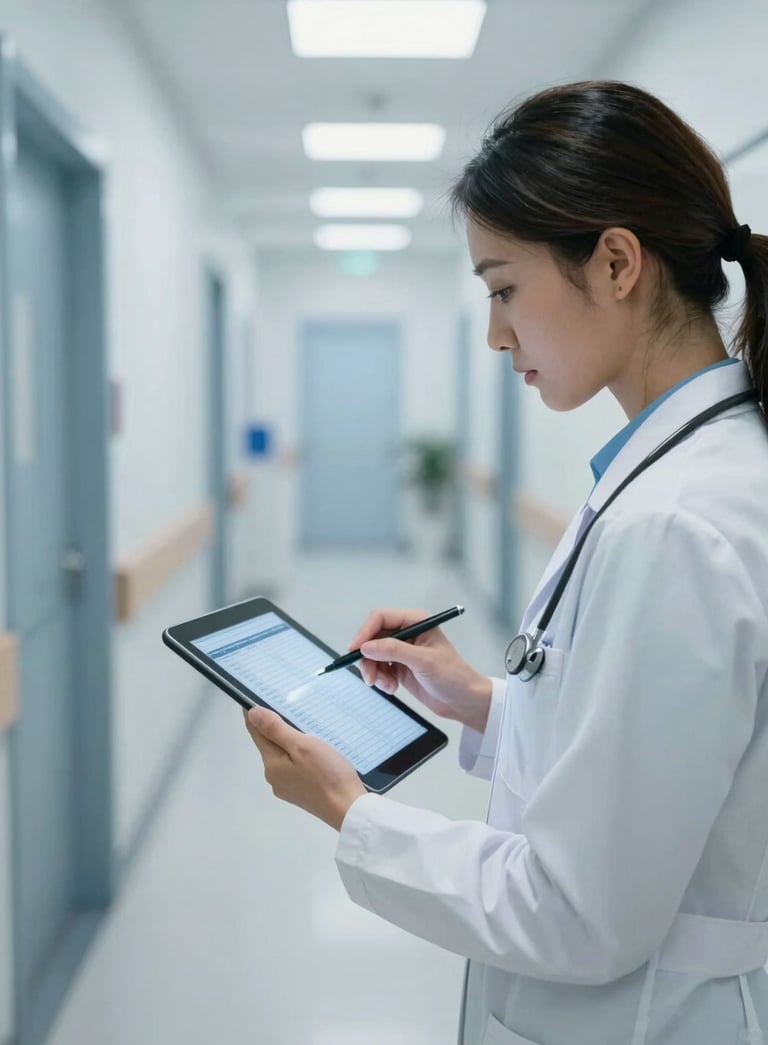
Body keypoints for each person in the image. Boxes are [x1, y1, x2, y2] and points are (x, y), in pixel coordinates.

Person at [244, 80, 768, 1045]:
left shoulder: (680, 522)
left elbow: (578, 913)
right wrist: (481, 698)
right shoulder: (675, 476)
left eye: (503, 288)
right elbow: (660, 747)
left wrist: (349, 811)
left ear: (616, 262)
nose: (495, 333)